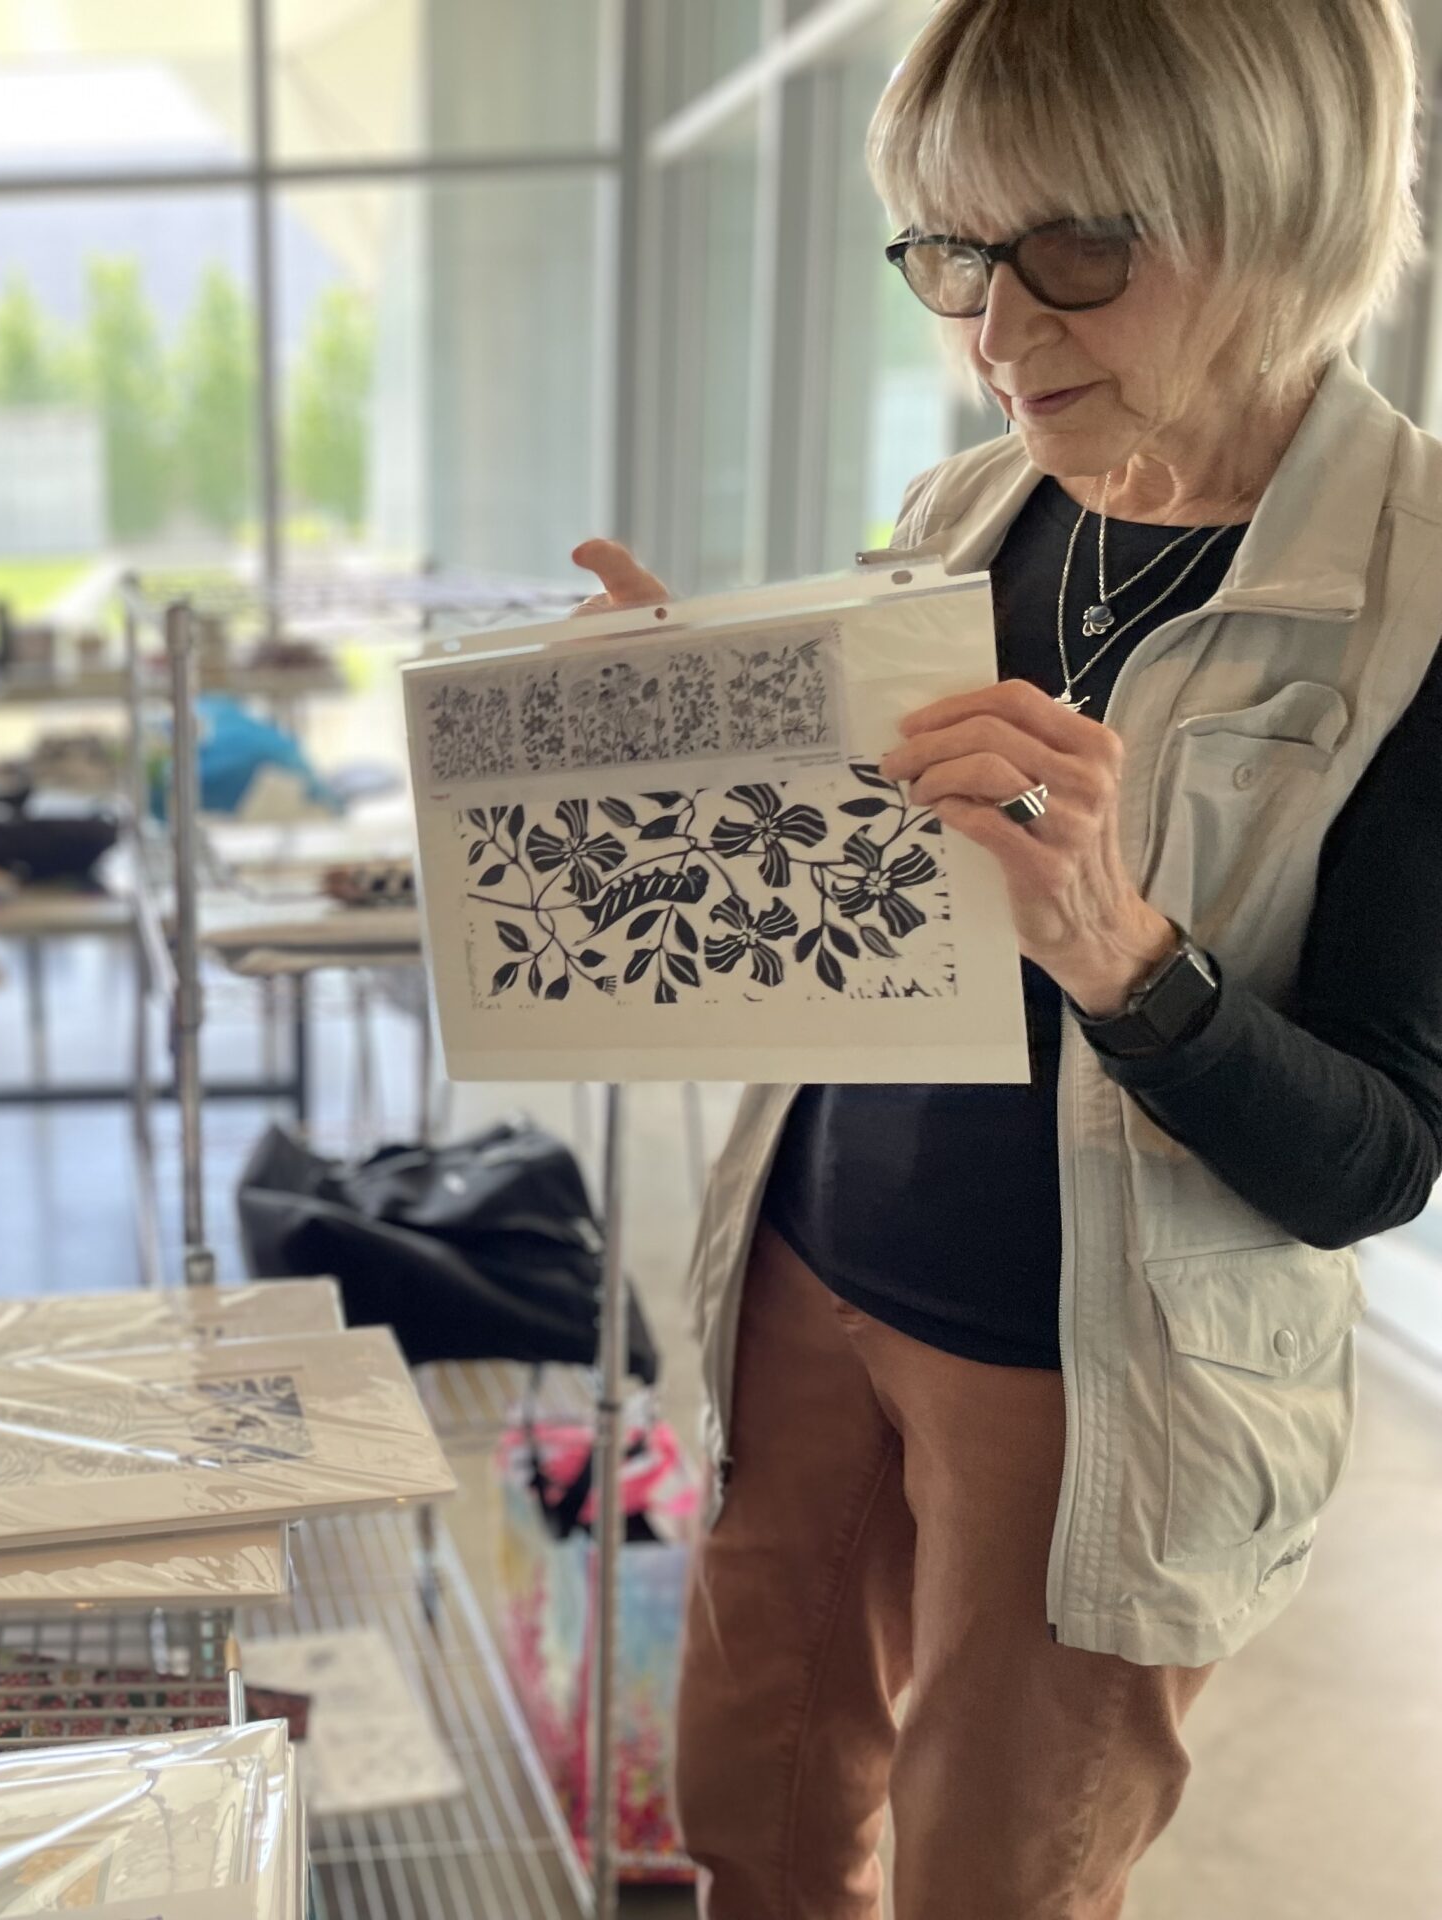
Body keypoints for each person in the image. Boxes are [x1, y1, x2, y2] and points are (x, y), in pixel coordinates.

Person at [571, 1, 1442, 1911]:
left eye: (1081, 252)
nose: (997, 333)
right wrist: (694, 726)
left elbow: (1374, 1161)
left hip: (1088, 1379)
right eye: (956, 251)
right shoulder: (979, 502)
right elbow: (886, 871)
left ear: (1283, 206)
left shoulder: (1416, 592)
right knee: (756, 1799)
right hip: (808, 1264)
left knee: (1002, 1870)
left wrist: (1132, 957)